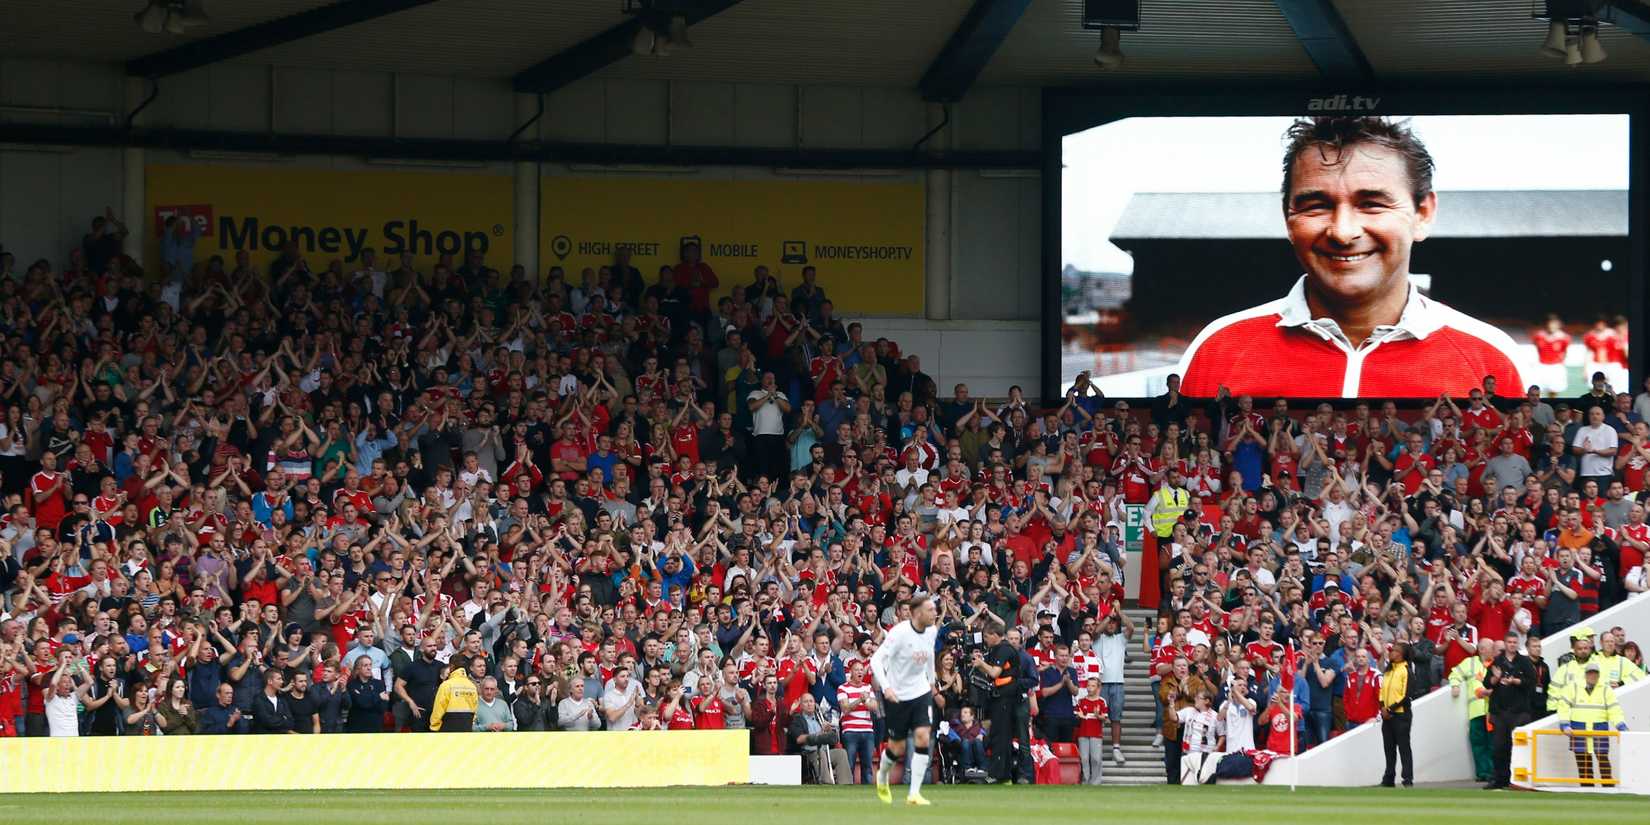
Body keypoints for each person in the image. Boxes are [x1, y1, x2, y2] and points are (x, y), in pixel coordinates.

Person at [1177, 116, 1524, 397]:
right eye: (1316, 205)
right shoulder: (1219, 349)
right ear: (1288, 217)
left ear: (1423, 214)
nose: (1342, 232)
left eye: (1371, 204)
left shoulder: (1490, 357)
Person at [869, 595, 939, 806]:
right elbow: (876, 660)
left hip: (920, 692)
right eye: (930, 610)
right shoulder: (899, 633)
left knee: (923, 736)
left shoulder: (932, 631)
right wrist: (886, 687)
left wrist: (931, 681)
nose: (935, 613)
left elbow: (929, 655)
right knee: (896, 747)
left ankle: (914, 793)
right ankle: (883, 774)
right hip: (897, 695)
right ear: (917, 613)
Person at [1554, 661, 1626, 786]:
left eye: (1595, 673)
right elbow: (1563, 706)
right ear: (1585, 674)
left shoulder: (1606, 689)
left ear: (1599, 675)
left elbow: (1614, 710)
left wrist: (1621, 726)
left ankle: (1608, 787)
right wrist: (1564, 724)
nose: (1593, 676)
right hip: (1579, 728)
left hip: (1599, 728)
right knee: (1583, 761)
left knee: (1603, 759)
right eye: (1590, 673)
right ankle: (1587, 788)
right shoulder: (1573, 687)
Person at [1484, 632, 1536, 790]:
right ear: (1505, 644)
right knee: (1499, 747)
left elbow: (1531, 681)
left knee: (1519, 747)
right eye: (1509, 642)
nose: (1512, 645)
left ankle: (1518, 780)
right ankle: (1499, 779)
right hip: (1500, 711)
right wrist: (1496, 678)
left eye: (1514, 642)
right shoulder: (1497, 661)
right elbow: (1487, 683)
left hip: (1519, 711)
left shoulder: (1524, 662)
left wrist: (1515, 681)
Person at [1447, 638, 1494, 783]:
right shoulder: (1470, 662)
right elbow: (1455, 673)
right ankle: (1483, 772)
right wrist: (1455, 685)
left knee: (1492, 743)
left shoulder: (1497, 664)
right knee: (1478, 743)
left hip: (1493, 711)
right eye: (1490, 647)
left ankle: (1493, 772)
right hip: (1477, 711)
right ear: (1481, 650)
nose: (1493, 650)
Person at [1379, 641, 1415, 788]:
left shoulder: (1406, 670)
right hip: (1387, 715)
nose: (1391, 652)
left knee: (1403, 747)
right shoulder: (1388, 671)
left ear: (1402, 655)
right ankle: (1389, 778)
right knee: (1389, 748)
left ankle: (1407, 778)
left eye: (1395, 651)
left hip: (1401, 715)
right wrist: (1383, 708)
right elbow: (1382, 691)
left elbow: (1406, 695)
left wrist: (1390, 709)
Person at [429, 658, 481, 733]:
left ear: (452, 666)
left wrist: (434, 727)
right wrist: (470, 723)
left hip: (447, 729)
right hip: (467, 728)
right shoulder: (472, 686)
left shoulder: (446, 685)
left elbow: (438, 709)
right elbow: (475, 709)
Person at [1075, 677, 1110, 785]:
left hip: (1096, 734)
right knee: (1084, 758)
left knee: (1096, 758)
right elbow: (1077, 714)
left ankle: (1096, 781)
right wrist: (1079, 716)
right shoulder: (1081, 701)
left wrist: (1098, 715)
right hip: (1083, 733)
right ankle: (1085, 780)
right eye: (1088, 685)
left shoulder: (1101, 701)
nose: (1090, 688)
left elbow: (1105, 718)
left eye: (1093, 686)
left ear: (1098, 688)